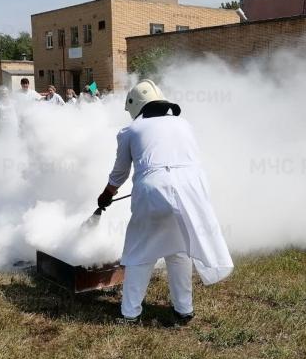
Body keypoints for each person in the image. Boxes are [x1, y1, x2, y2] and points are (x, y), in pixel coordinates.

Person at [97, 79, 234, 324]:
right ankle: (184, 311)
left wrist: (106, 195)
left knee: (140, 252)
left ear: (135, 106)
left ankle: (130, 315)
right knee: (179, 250)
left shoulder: (131, 131)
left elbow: (119, 174)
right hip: (192, 189)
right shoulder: (184, 124)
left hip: (153, 190)